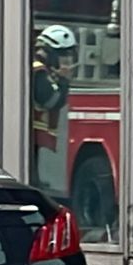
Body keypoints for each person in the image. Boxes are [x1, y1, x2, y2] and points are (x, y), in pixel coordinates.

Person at [32, 24, 76, 165]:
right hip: (34, 140)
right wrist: (63, 81)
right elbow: (51, 101)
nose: (65, 60)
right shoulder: (39, 71)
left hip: (36, 141)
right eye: (63, 55)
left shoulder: (43, 70)